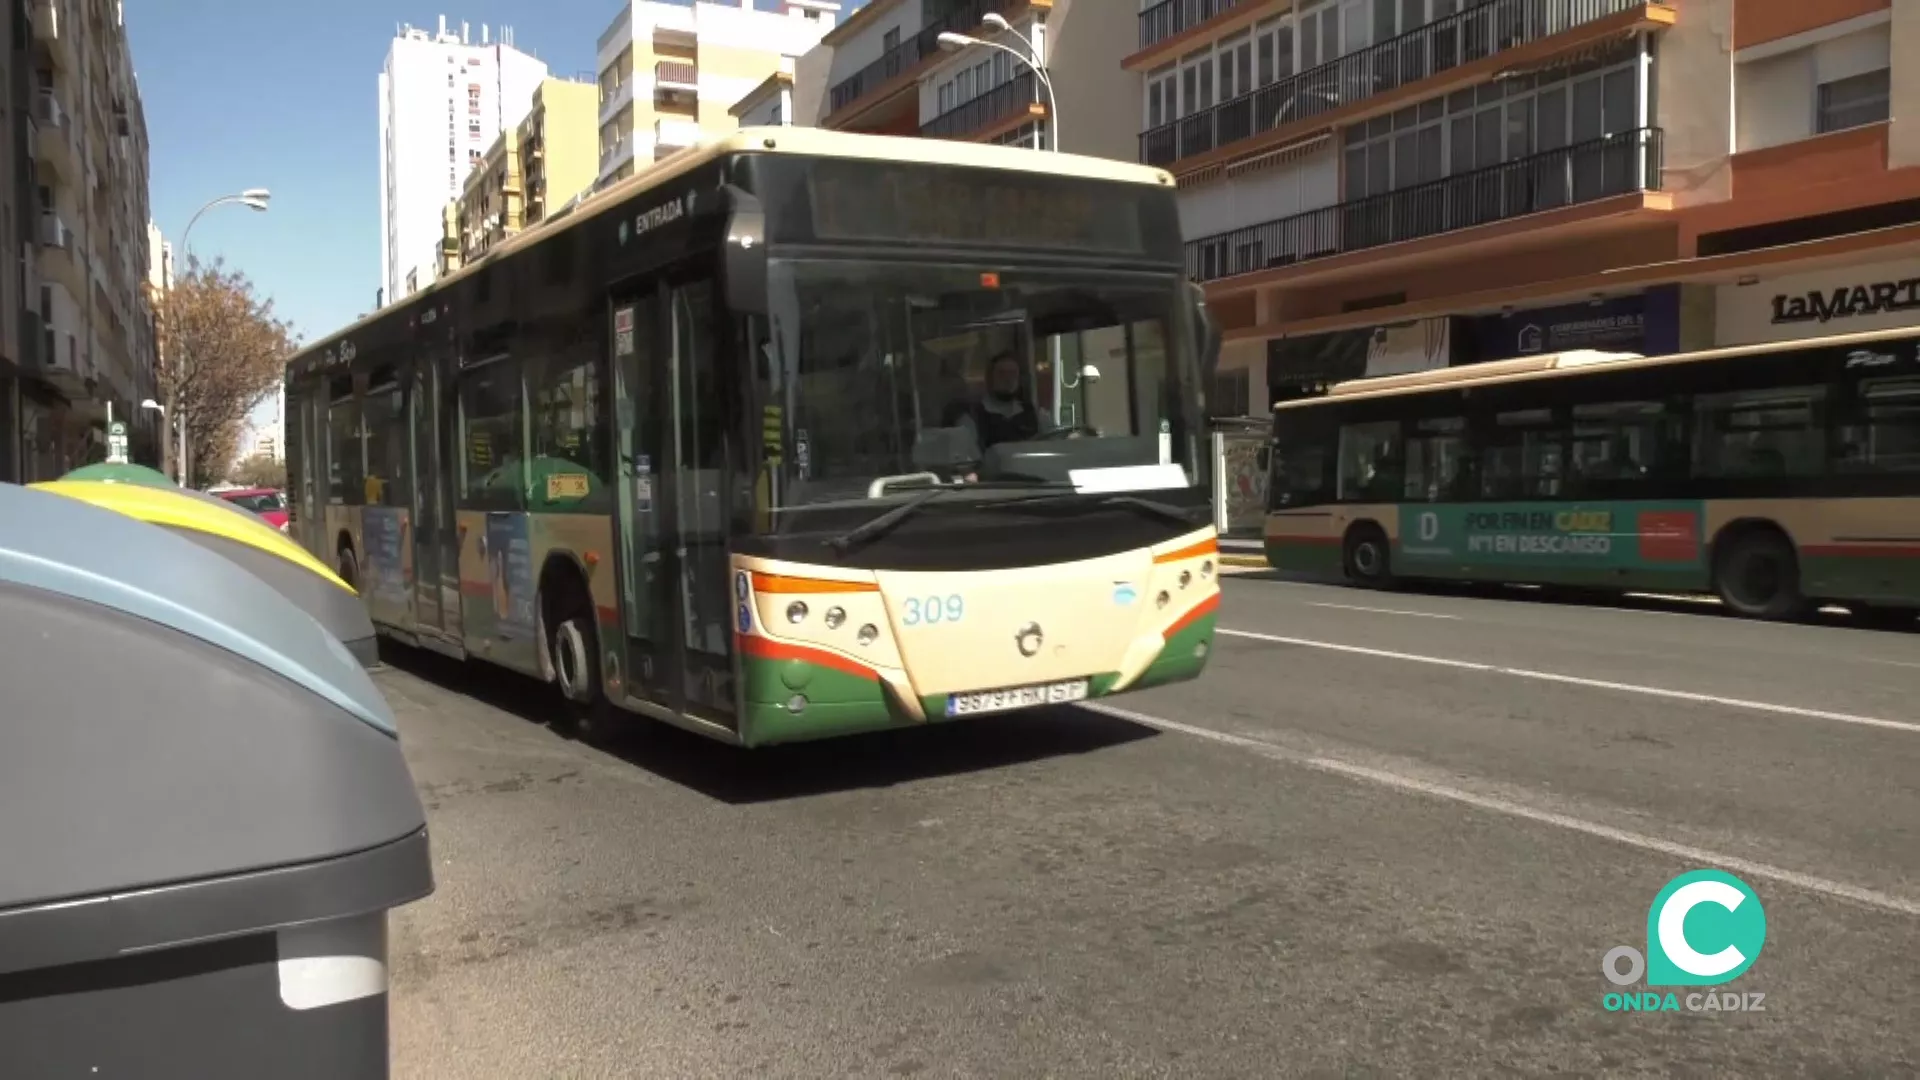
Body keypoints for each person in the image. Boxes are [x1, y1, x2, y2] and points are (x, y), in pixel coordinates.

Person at [952, 351, 1055, 457]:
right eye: (1001, 373)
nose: (1008, 379)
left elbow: (1052, 447)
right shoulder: (971, 418)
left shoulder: (1036, 416)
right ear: (989, 378)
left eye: (1012, 373)